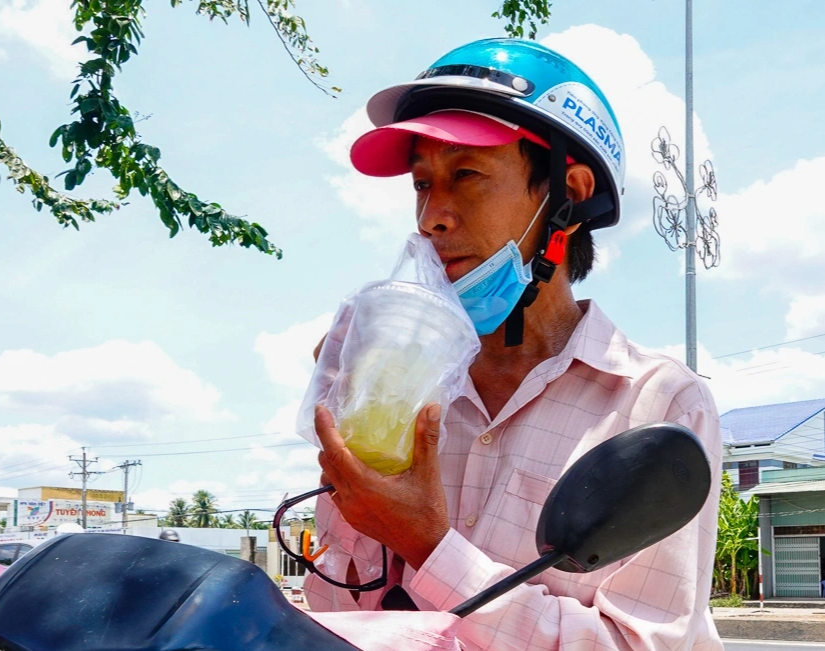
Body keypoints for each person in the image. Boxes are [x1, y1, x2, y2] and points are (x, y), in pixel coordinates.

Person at [305, 38, 724, 651]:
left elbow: (643, 645)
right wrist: (351, 449)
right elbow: (340, 614)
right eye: (422, 184)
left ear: (568, 195)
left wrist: (431, 547)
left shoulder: (658, 405)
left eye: (467, 176)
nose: (431, 218)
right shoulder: (403, 386)